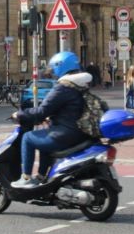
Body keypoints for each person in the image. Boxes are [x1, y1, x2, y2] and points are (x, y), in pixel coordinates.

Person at [10, 51, 90, 188]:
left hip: (65, 133)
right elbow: (69, 108)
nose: (53, 72)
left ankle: (26, 178)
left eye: (54, 68)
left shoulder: (63, 87)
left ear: (61, 67)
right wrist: (51, 117)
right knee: (43, 137)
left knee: (28, 138)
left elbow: (41, 111)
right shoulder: (81, 85)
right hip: (78, 131)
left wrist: (21, 114)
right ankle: (41, 176)